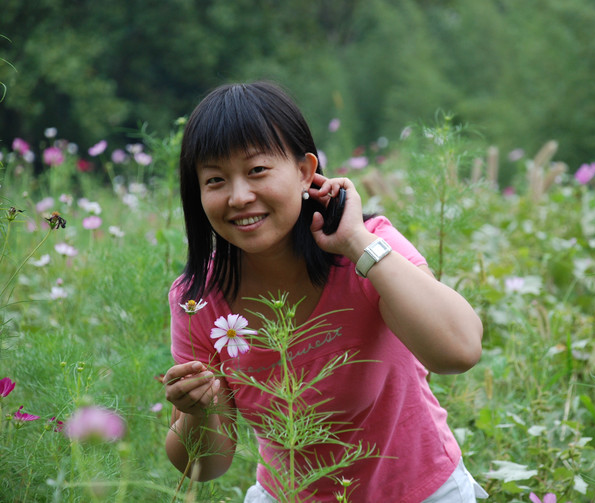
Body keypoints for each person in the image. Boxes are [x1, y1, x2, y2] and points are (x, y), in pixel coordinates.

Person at [163, 81, 487, 502]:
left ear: (304, 171)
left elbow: (459, 350)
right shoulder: (198, 299)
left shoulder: (370, 248)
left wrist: (356, 243)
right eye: (216, 180)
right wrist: (197, 411)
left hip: (421, 491)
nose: (239, 197)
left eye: (257, 170)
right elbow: (205, 466)